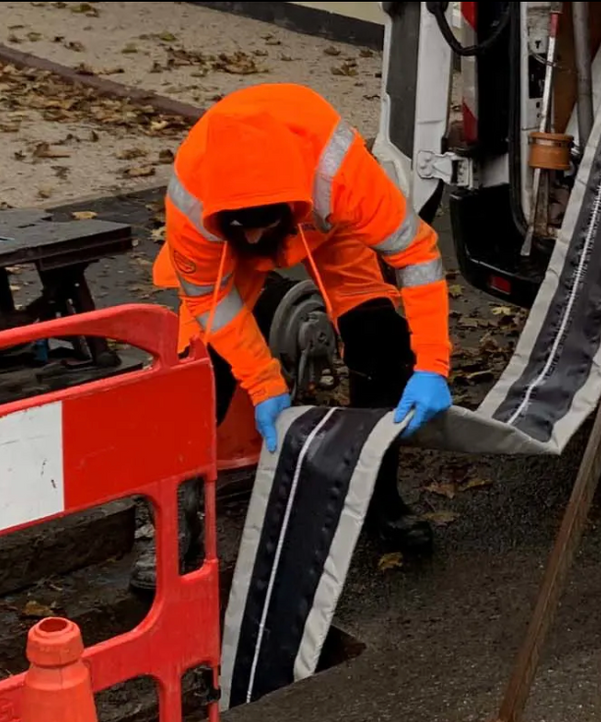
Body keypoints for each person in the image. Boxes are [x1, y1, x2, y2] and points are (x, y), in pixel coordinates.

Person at [132, 82, 455, 591]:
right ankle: (169, 522)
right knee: (195, 371)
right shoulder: (194, 201)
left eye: (266, 227)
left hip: (327, 227)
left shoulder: (343, 178)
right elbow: (210, 303)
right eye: (247, 229)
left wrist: (432, 364)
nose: (259, 241)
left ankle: (377, 497)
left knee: (382, 340)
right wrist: (263, 383)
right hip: (224, 252)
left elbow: (416, 257)